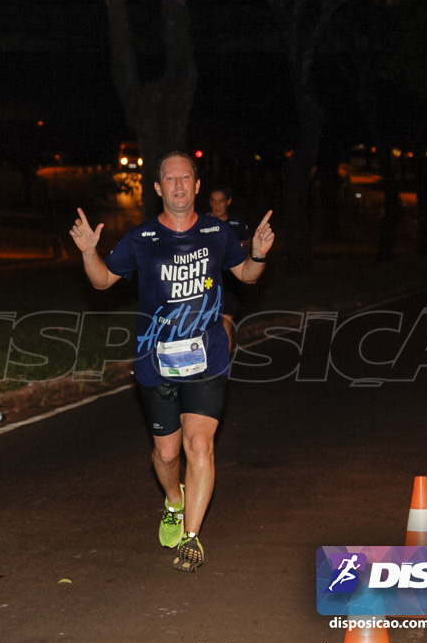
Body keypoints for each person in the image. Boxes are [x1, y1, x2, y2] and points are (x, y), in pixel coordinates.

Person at [69, 151, 274, 572]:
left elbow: (247, 277)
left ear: (197, 186)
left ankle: (193, 537)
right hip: (154, 360)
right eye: (170, 179)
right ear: (158, 188)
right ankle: (174, 501)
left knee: (200, 445)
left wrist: (257, 254)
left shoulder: (217, 232)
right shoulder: (141, 239)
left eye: (186, 178)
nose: (179, 185)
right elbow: (103, 280)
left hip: (207, 356)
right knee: (166, 454)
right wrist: (90, 252)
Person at [207, 187, 252, 348]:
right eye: (214, 201)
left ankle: (223, 364)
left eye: (221, 201)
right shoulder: (202, 222)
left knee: (225, 319)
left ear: (228, 202)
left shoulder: (237, 224)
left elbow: (247, 246)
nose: (217, 205)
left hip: (230, 281)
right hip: (206, 281)